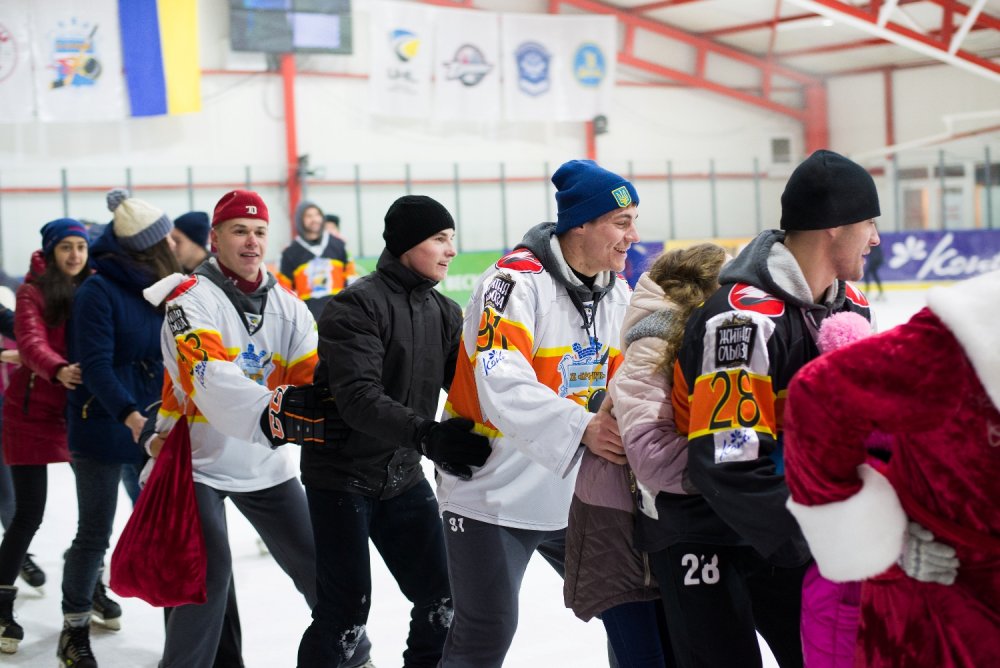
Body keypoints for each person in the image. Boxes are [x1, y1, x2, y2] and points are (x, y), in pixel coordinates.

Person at [669, 149, 880, 667]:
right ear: (834, 225)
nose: (876, 238)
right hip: (710, 530)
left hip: (792, 528)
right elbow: (727, 459)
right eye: (869, 223)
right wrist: (815, 539)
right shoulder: (742, 321)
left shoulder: (851, 306)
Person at [145, 189, 372, 668]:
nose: (252, 241)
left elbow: (313, 379)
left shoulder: (289, 305)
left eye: (260, 232)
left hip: (265, 463)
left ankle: (357, 659)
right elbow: (209, 378)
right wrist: (284, 414)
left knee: (320, 568)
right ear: (216, 238)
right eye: (240, 231)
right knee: (206, 576)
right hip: (197, 462)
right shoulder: (188, 300)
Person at [437, 160, 639, 667]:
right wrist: (585, 426)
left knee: (634, 611)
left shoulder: (618, 291)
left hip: (575, 489)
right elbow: (501, 380)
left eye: (634, 222)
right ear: (580, 225)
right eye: (621, 222)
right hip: (492, 491)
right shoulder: (512, 283)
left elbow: (627, 383)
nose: (633, 236)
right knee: (486, 632)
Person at [297, 194, 490, 668]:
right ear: (407, 244)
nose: (450, 250)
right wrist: (429, 437)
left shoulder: (445, 313)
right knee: (344, 614)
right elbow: (358, 398)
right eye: (439, 239)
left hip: (402, 475)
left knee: (443, 596)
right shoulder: (356, 306)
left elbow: (469, 389)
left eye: (452, 239)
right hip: (341, 477)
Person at [783, 270, 998, 668]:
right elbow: (819, 395)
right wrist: (886, 546)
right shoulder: (941, 361)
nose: (875, 241)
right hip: (921, 609)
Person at [60, 190, 181, 667]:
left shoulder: (164, 287)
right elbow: (95, 366)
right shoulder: (98, 291)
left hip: (155, 424)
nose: (173, 243)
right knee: (95, 532)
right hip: (105, 425)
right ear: (147, 247)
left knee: (166, 533)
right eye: (165, 238)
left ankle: (181, 638)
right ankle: (73, 630)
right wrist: (131, 417)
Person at [595, 243, 729, 668]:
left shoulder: (701, 336)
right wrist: (738, 470)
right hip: (650, 524)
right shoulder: (655, 340)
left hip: (680, 518)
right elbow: (653, 456)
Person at [0, 220, 89, 654]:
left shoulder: (93, 287)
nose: (74, 255)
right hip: (30, 412)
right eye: (66, 247)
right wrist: (57, 368)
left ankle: (90, 587)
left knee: (94, 518)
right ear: (51, 251)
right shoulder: (31, 291)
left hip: (78, 413)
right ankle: (2, 601)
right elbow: (31, 340)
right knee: (27, 513)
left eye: (81, 247)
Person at [278, 200, 357, 320]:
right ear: (300, 220)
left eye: (317, 214)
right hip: (308, 319)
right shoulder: (290, 253)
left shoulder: (339, 244)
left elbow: (351, 279)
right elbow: (285, 292)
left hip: (340, 316)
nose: (314, 219)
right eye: (308, 216)